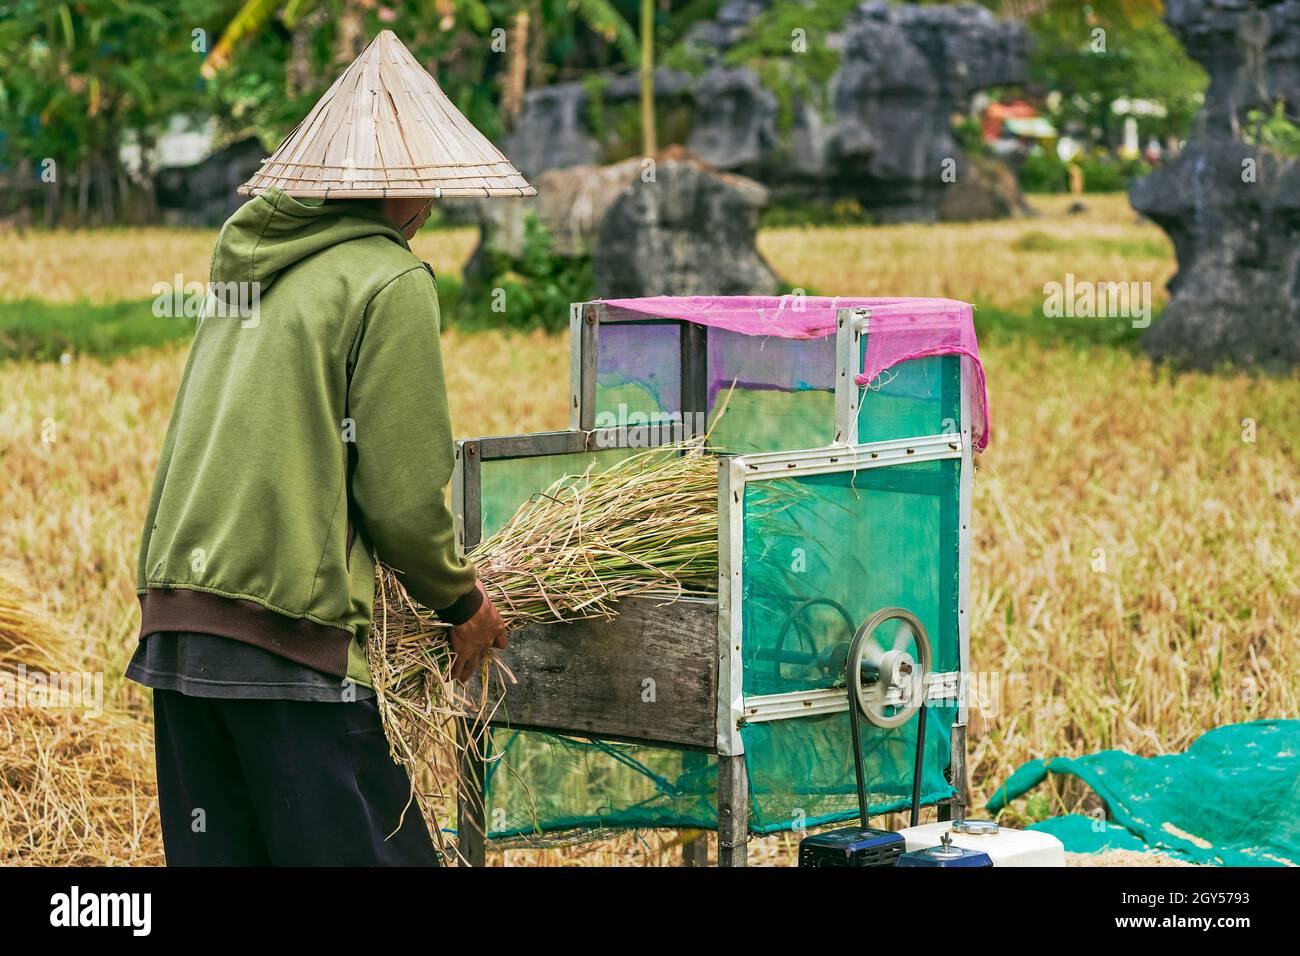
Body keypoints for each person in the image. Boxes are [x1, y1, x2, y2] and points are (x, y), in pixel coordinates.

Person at [127, 31, 533, 866]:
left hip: (177, 625)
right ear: (404, 185)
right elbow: (402, 496)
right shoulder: (390, 280)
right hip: (285, 633)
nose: (429, 203)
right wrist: (462, 603)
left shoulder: (252, 267)